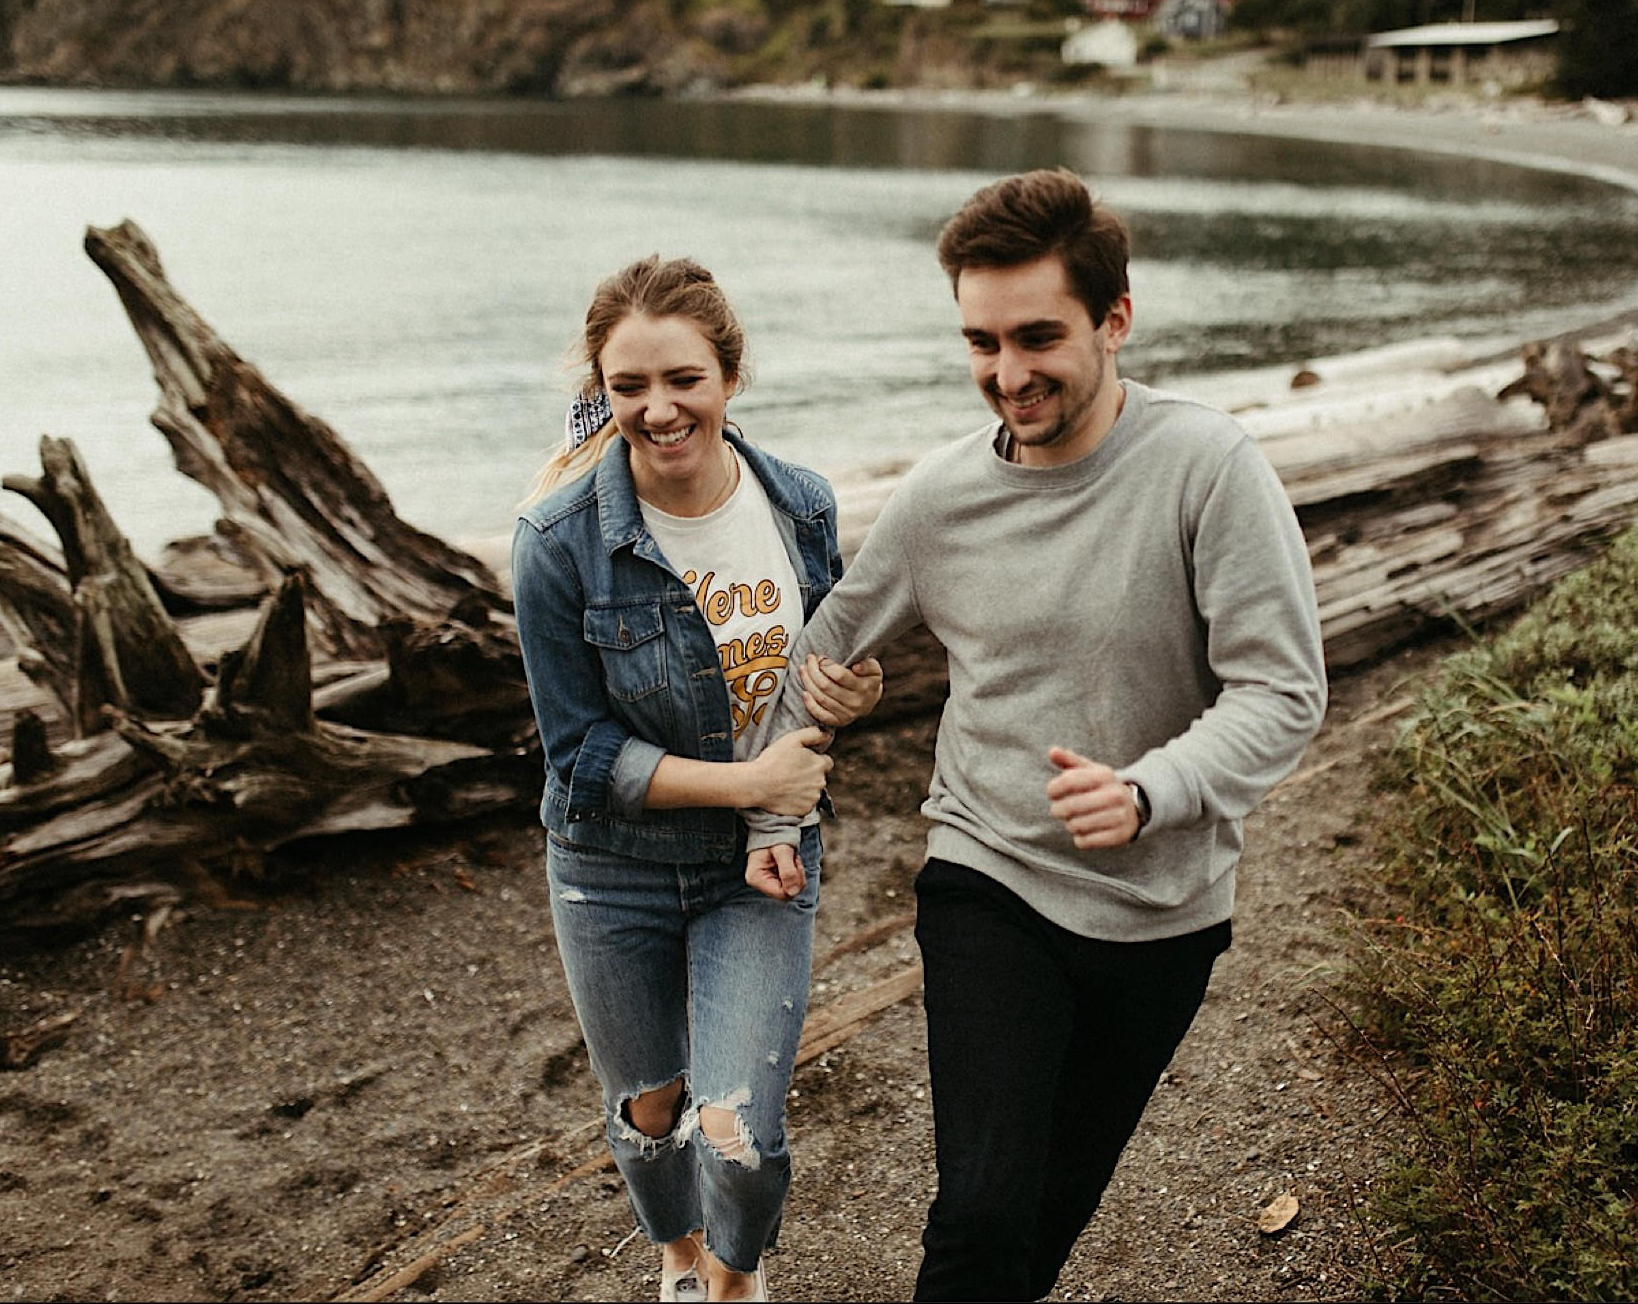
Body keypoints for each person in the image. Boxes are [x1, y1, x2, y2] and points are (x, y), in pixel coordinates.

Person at [744, 168, 1328, 1300]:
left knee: (1043, 1222)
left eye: (1037, 338)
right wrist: (774, 805)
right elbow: (816, 657)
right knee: (981, 1209)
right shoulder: (938, 501)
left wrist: (1151, 791)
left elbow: (1281, 691)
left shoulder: (1208, 468)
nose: (1006, 376)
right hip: (988, 873)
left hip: (1162, 910)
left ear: (1115, 319)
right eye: (979, 342)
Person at [511, 255, 883, 1303]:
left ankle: (730, 1280)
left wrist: (848, 703)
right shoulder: (554, 541)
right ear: (602, 389)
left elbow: (813, 680)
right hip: (608, 869)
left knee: (739, 1137)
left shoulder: (799, 506)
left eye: (682, 379)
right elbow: (579, 759)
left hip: (757, 862)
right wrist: (747, 783)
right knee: (648, 1108)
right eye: (629, 387)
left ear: (729, 373)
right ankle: (675, 1262)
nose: (658, 409)